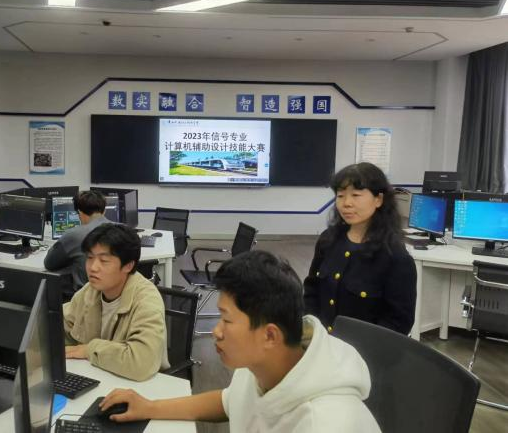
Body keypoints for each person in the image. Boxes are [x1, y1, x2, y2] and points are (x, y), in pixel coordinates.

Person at [99, 250, 380, 432]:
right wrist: (150, 407)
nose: (217, 331)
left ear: (270, 335)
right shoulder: (264, 362)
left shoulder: (325, 422)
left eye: (227, 320)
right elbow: (229, 401)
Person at [304, 162, 417, 335]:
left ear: (378, 199)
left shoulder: (395, 257)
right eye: (340, 195)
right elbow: (312, 290)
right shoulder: (328, 240)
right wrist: (313, 331)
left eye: (356, 195)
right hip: (322, 341)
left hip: (363, 349)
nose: (346, 203)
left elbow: (398, 322)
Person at [63, 223, 169, 381]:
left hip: (139, 385)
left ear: (128, 265)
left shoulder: (147, 300)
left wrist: (89, 350)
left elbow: (141, 363)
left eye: (104, 260)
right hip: (99, 374)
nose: (93, 267)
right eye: (90, 258)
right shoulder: (90, 291)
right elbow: (61, 324)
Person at [44, 190, 111, 300]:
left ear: (79, 213)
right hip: (114, 296)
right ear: (104, 211)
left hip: (85, 300)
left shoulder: (74, 235)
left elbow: (49, 263)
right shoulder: (123, 230)